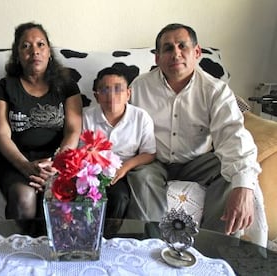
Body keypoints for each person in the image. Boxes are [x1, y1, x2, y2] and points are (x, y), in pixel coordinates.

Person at [129, 23, 262, 235]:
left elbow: (232, 135)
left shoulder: (216, 91)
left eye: (183, 46)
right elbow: (125, 128)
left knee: (230, 173)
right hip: (154, 161)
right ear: (157, 57)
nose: (176, 54)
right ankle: (148, 245)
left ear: (197, 52)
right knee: (140, 175)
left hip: (198, 161)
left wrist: (244, 185)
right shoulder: (138, 87)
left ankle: (214, 247)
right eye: (168, 48)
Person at [0, 22, 82, 219]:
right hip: (16, 162)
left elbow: (73, 130)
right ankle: (20, 248)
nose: (34, 51)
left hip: (58, 160)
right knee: (24, 196)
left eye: (41, 45)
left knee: (63, 194)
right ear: (17, 54)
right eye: (26, 46)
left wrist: (56, 165)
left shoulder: (67, 85)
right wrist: (26, 167)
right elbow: (1, 135)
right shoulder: (4, 87)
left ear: (49, 51)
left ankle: (61, 248)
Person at [83, 67, 156, 218]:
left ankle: (110, 238)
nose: (111, 95)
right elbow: (81, 152)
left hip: (122, 171)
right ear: (96, 96)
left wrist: (125, 168)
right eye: (105, 90)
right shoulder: (86, 117)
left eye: (118, 89)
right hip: (91, 171)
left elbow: (149, 153)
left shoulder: (141, 117)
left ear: (128, 93)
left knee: (119, 198)